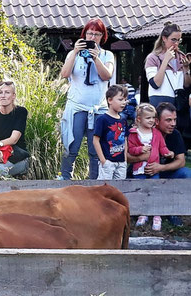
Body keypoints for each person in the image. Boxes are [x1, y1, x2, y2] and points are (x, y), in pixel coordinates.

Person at [59, 18, 114, 180]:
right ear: (84, 35)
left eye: (97, 34)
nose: (92, 37)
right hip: (76, 107)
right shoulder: (73, 54)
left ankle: (94, 182)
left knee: (95, 149)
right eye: (90, 33)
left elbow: (107, 76)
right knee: (71, 146)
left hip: (98, 108)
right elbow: (64, 74)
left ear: (102, 36)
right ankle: (65, 179)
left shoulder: (106, 55)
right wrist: (75, 52)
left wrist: (96, 58)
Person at [128, 102, 191, 226]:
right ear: (157, 121)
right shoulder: (140, 131)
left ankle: (173, 209)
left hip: (165, 174)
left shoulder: (175, 134)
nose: (173, 124)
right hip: (142, 172)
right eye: (168, 120)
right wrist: (144, 156)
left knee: (186, 174)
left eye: (174, 120)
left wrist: (161, 167)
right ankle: (139, 211)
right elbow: (127, 157)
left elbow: (181, 161)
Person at [0, 80, 30, 176]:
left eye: (7, 92)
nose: (3, 95)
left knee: (0, 169)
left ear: (13, 96)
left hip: (16, 154)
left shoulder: (21, 112)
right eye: (0, 92)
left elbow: (14, 139)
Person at [144, 22, 191, 109]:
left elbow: (186, 85)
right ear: (164, 38)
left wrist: (186, 68)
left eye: (179, 40)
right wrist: (165, 60)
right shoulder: (153, 57)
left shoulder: (181, 56)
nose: (176, 43)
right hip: (160, 100)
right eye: (173, 40)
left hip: (178, 102)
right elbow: (155, 84)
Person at [92, 84, 129, 180]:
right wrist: (103, 160)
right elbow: (96, 140)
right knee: (104, 189)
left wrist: (125, 160)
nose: (123, 103)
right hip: (108, 162)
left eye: (125, 100)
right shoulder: (102, 119)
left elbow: (125, 140)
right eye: (120, 99)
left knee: (120, 189)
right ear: (110, 100)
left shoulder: (123, 120)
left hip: (121, 163)